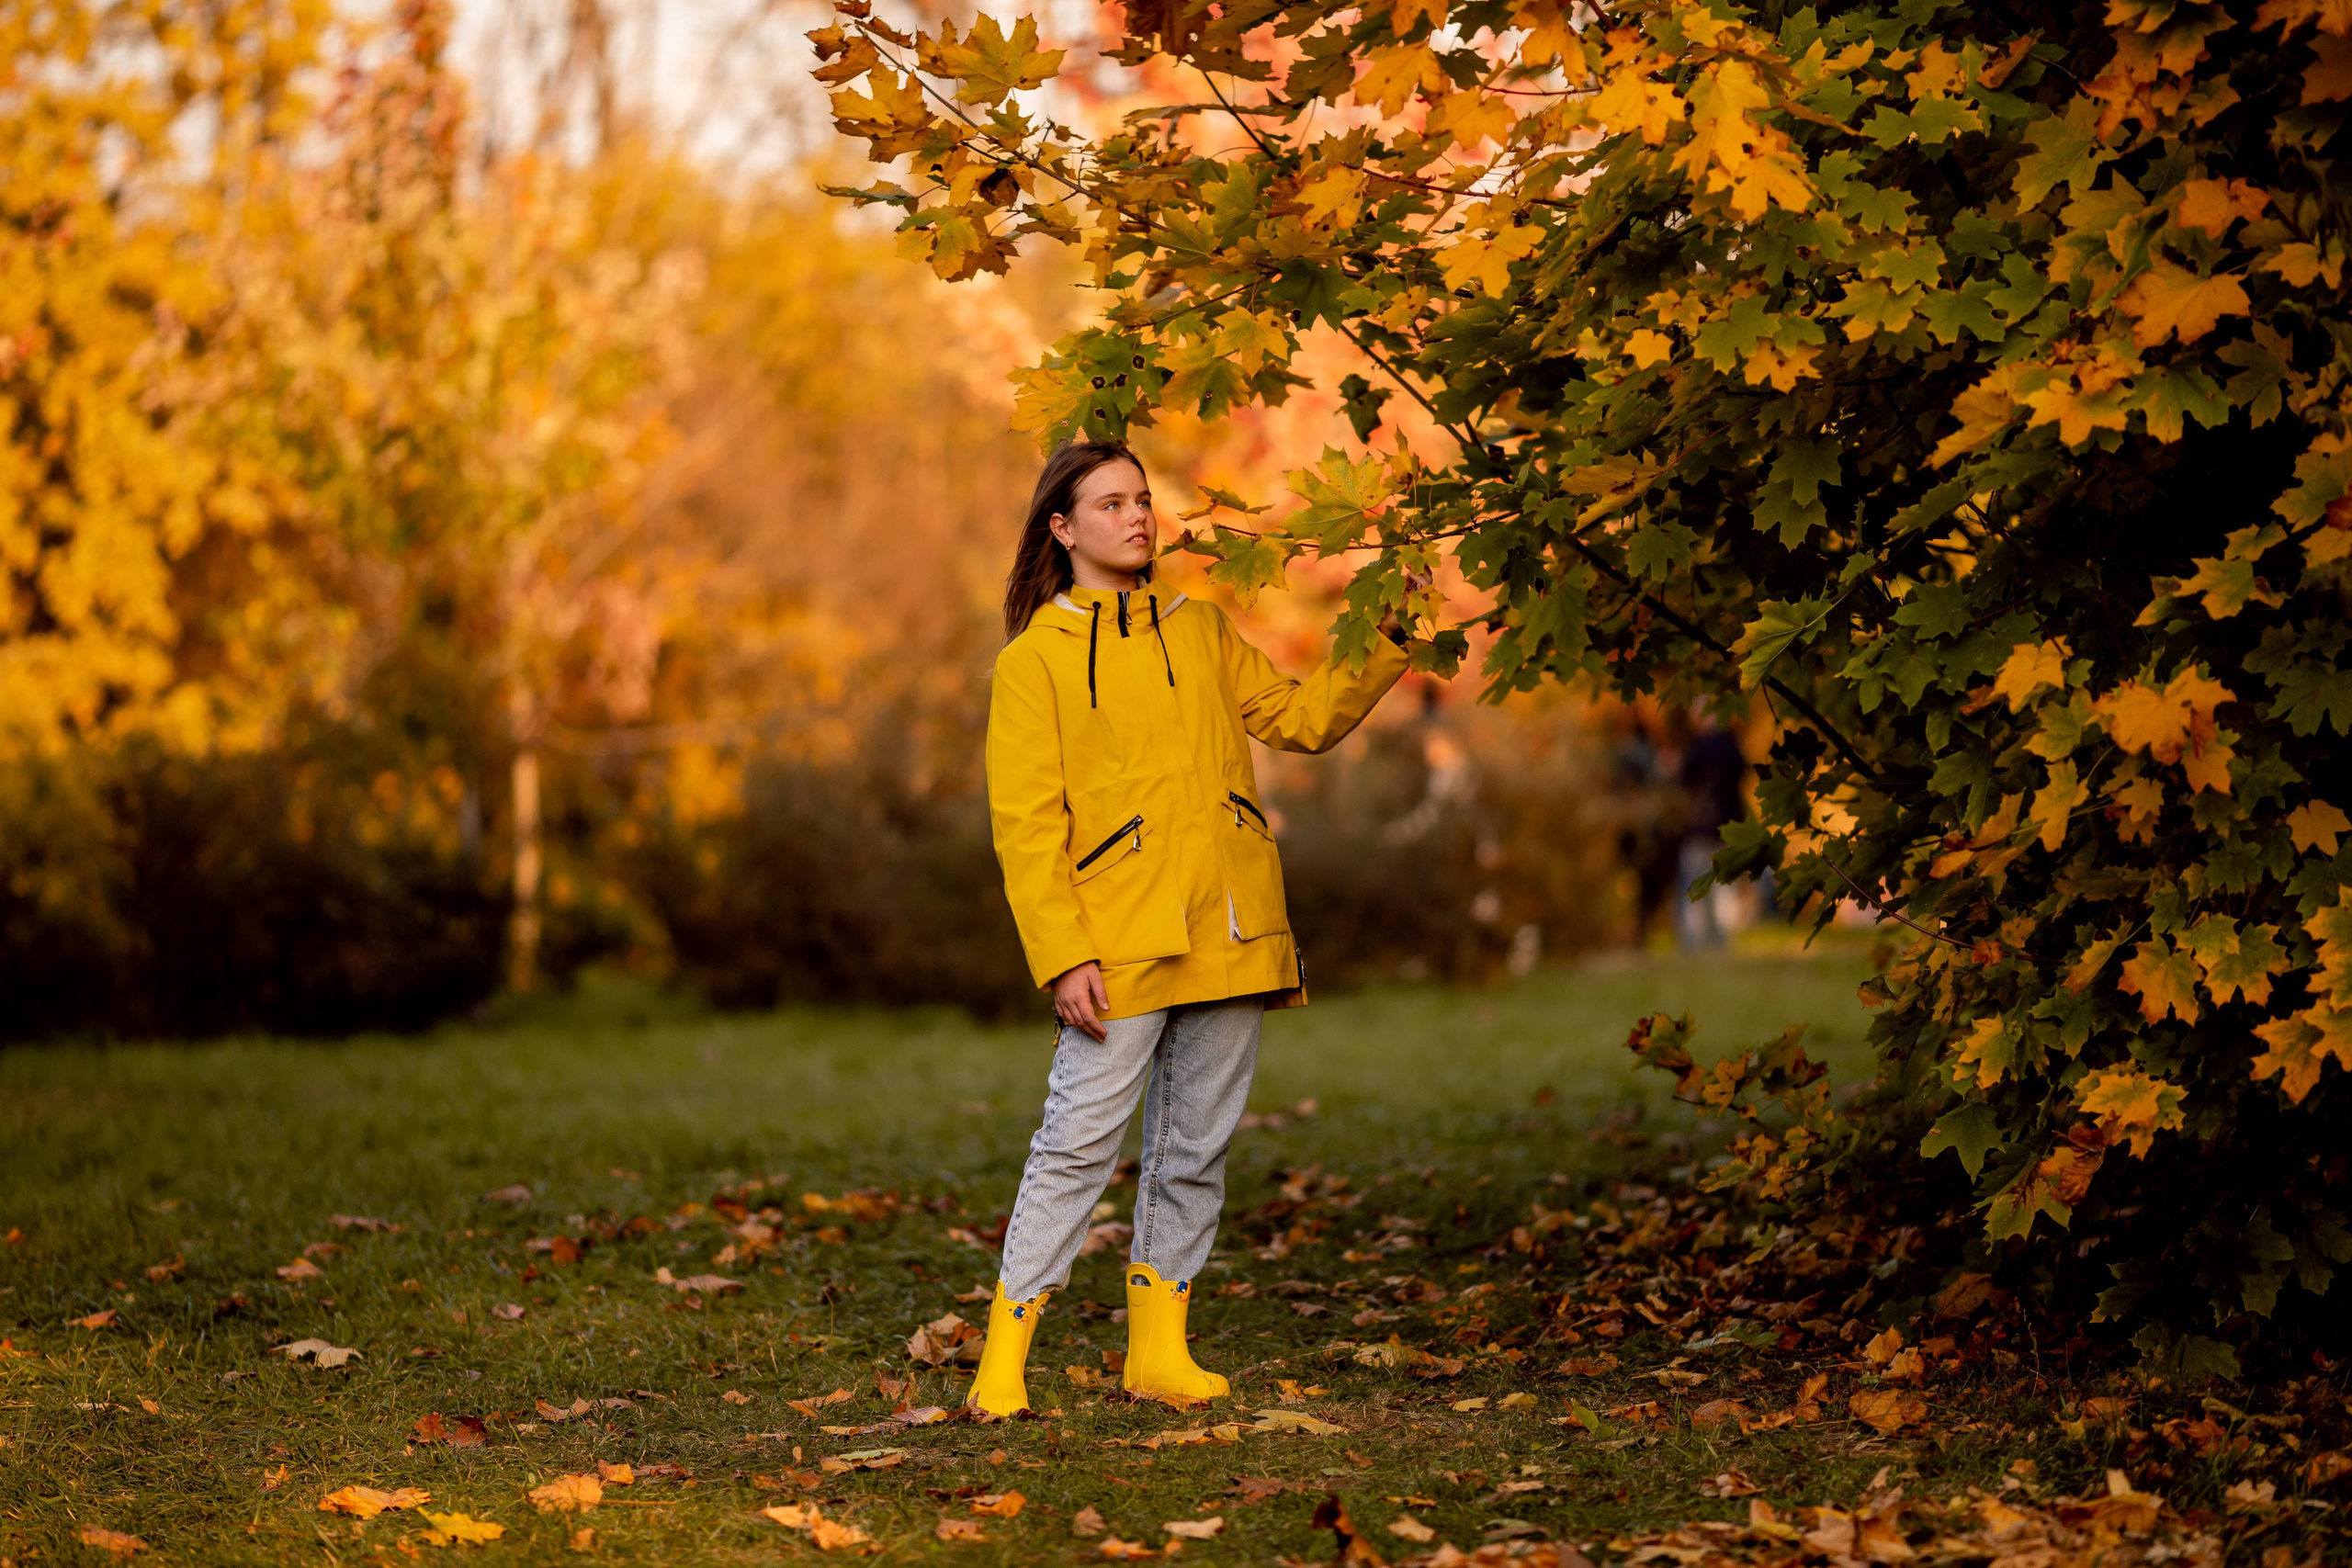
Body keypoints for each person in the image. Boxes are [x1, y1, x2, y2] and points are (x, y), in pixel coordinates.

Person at [968, 438, 1416, 1415]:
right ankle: (1002, 1359)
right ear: (1062, 526)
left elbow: (1302, 720)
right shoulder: (1032, 662)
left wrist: (1390, 634)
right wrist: (1062, 954)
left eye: (1143, 500)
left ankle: (1158, 1353)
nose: (1137, 517)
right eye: (1110, 503)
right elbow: (1026, 828)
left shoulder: (1201, 629)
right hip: (1116, 944)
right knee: (1076, 1147)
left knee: (1195, 1147)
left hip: (1231, 925)